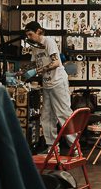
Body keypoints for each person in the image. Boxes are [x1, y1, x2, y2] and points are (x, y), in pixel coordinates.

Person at [24, 21, 73, 151]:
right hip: (47, 84)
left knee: (63, 114)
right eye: (27, 35)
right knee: (47, 116)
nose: (29, 37)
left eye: (30, 34)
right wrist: (21, 72)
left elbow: (56, 62)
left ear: (39, 31)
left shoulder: (48, 42)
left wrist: (37, 71)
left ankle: (74, 146)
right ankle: (52, 147)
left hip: (58, 82)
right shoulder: (35, 46)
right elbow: (34, 64)